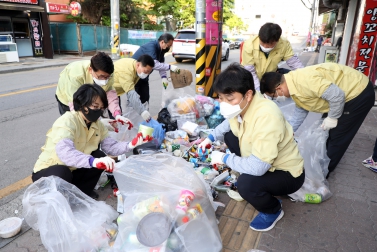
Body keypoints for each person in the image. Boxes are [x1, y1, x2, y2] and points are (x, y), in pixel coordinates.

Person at [198, 63, 305, 232]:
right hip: (264, 162)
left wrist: (224, 158)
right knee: (229, 135)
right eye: (221, 98)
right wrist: (210, 138)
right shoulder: (242, 106)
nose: (224, 104)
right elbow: (228, 123)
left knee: (246, 185)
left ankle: (273, 210)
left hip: (287, 173)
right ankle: (253, 179)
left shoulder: (267, 115)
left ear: (248, 94)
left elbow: (258, 167)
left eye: (230, 98)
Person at [33, 84, 152, 199]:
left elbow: (110, 147)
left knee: (99, 155)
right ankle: (56, 202)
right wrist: (92, 161)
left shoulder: (97, 124)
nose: (98, 111)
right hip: (50, 171)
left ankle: (80, 196)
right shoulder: (67, 121)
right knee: (63, 172)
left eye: (101, 108)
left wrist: (132, 144)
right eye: (95, 107)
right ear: (82, 104)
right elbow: (65, 152)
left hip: (74, 168)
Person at [260, 63, 375, 177]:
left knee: (337, 136)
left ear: (278, 88)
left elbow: (337, 95)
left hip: (358, 93)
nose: (278, 98)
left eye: (274, 96)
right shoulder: (292, 86)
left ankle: (321, 175)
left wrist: (332, 118)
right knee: (325, 131)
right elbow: (301, 110)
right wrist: (288, 131)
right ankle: (320, 163)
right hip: (339, 95)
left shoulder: (305, 81)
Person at [55, 51, 130, 132]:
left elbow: (110, 94)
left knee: (94, 129)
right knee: (75, 126)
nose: (105, 80)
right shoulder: (75, 75)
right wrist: (99, 120)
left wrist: (117, 114)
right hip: (68, 100)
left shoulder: (109, 74)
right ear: (90, 70)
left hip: (92, 97)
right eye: (101, 77)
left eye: (107, 77)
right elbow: (76, 104)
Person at [241, 22, 304, 91]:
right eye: (262, 43)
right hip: (251, 79)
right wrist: (258, 90)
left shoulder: (284, 44)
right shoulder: (249, 45)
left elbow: (294, 63)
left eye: (270, 44)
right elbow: (250, 71)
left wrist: (305, 77)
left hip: (269, 78)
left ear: (277, 40)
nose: (265, 46)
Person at [131, 33, 180, 104]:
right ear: (162, 42)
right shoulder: (151, 47)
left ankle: (144, 113)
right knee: (134, 98)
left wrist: (164, 78)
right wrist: (170, 67)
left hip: (144, 75)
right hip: (135, 74)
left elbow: (162, 65)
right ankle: (132, 114)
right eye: (168, 46)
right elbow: (155, 64)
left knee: (145, 97)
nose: (169, 48)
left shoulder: (161, 51)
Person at [113, 55, 155, 122]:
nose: (146, 74)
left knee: (118, 114)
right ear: (138, 65)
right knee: (113, 117)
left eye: (148, 73)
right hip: (107, 90)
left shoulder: (136, 69)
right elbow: (131, 94)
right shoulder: (126, 72)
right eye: (145, 71)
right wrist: (142, 111)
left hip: (115, 91)